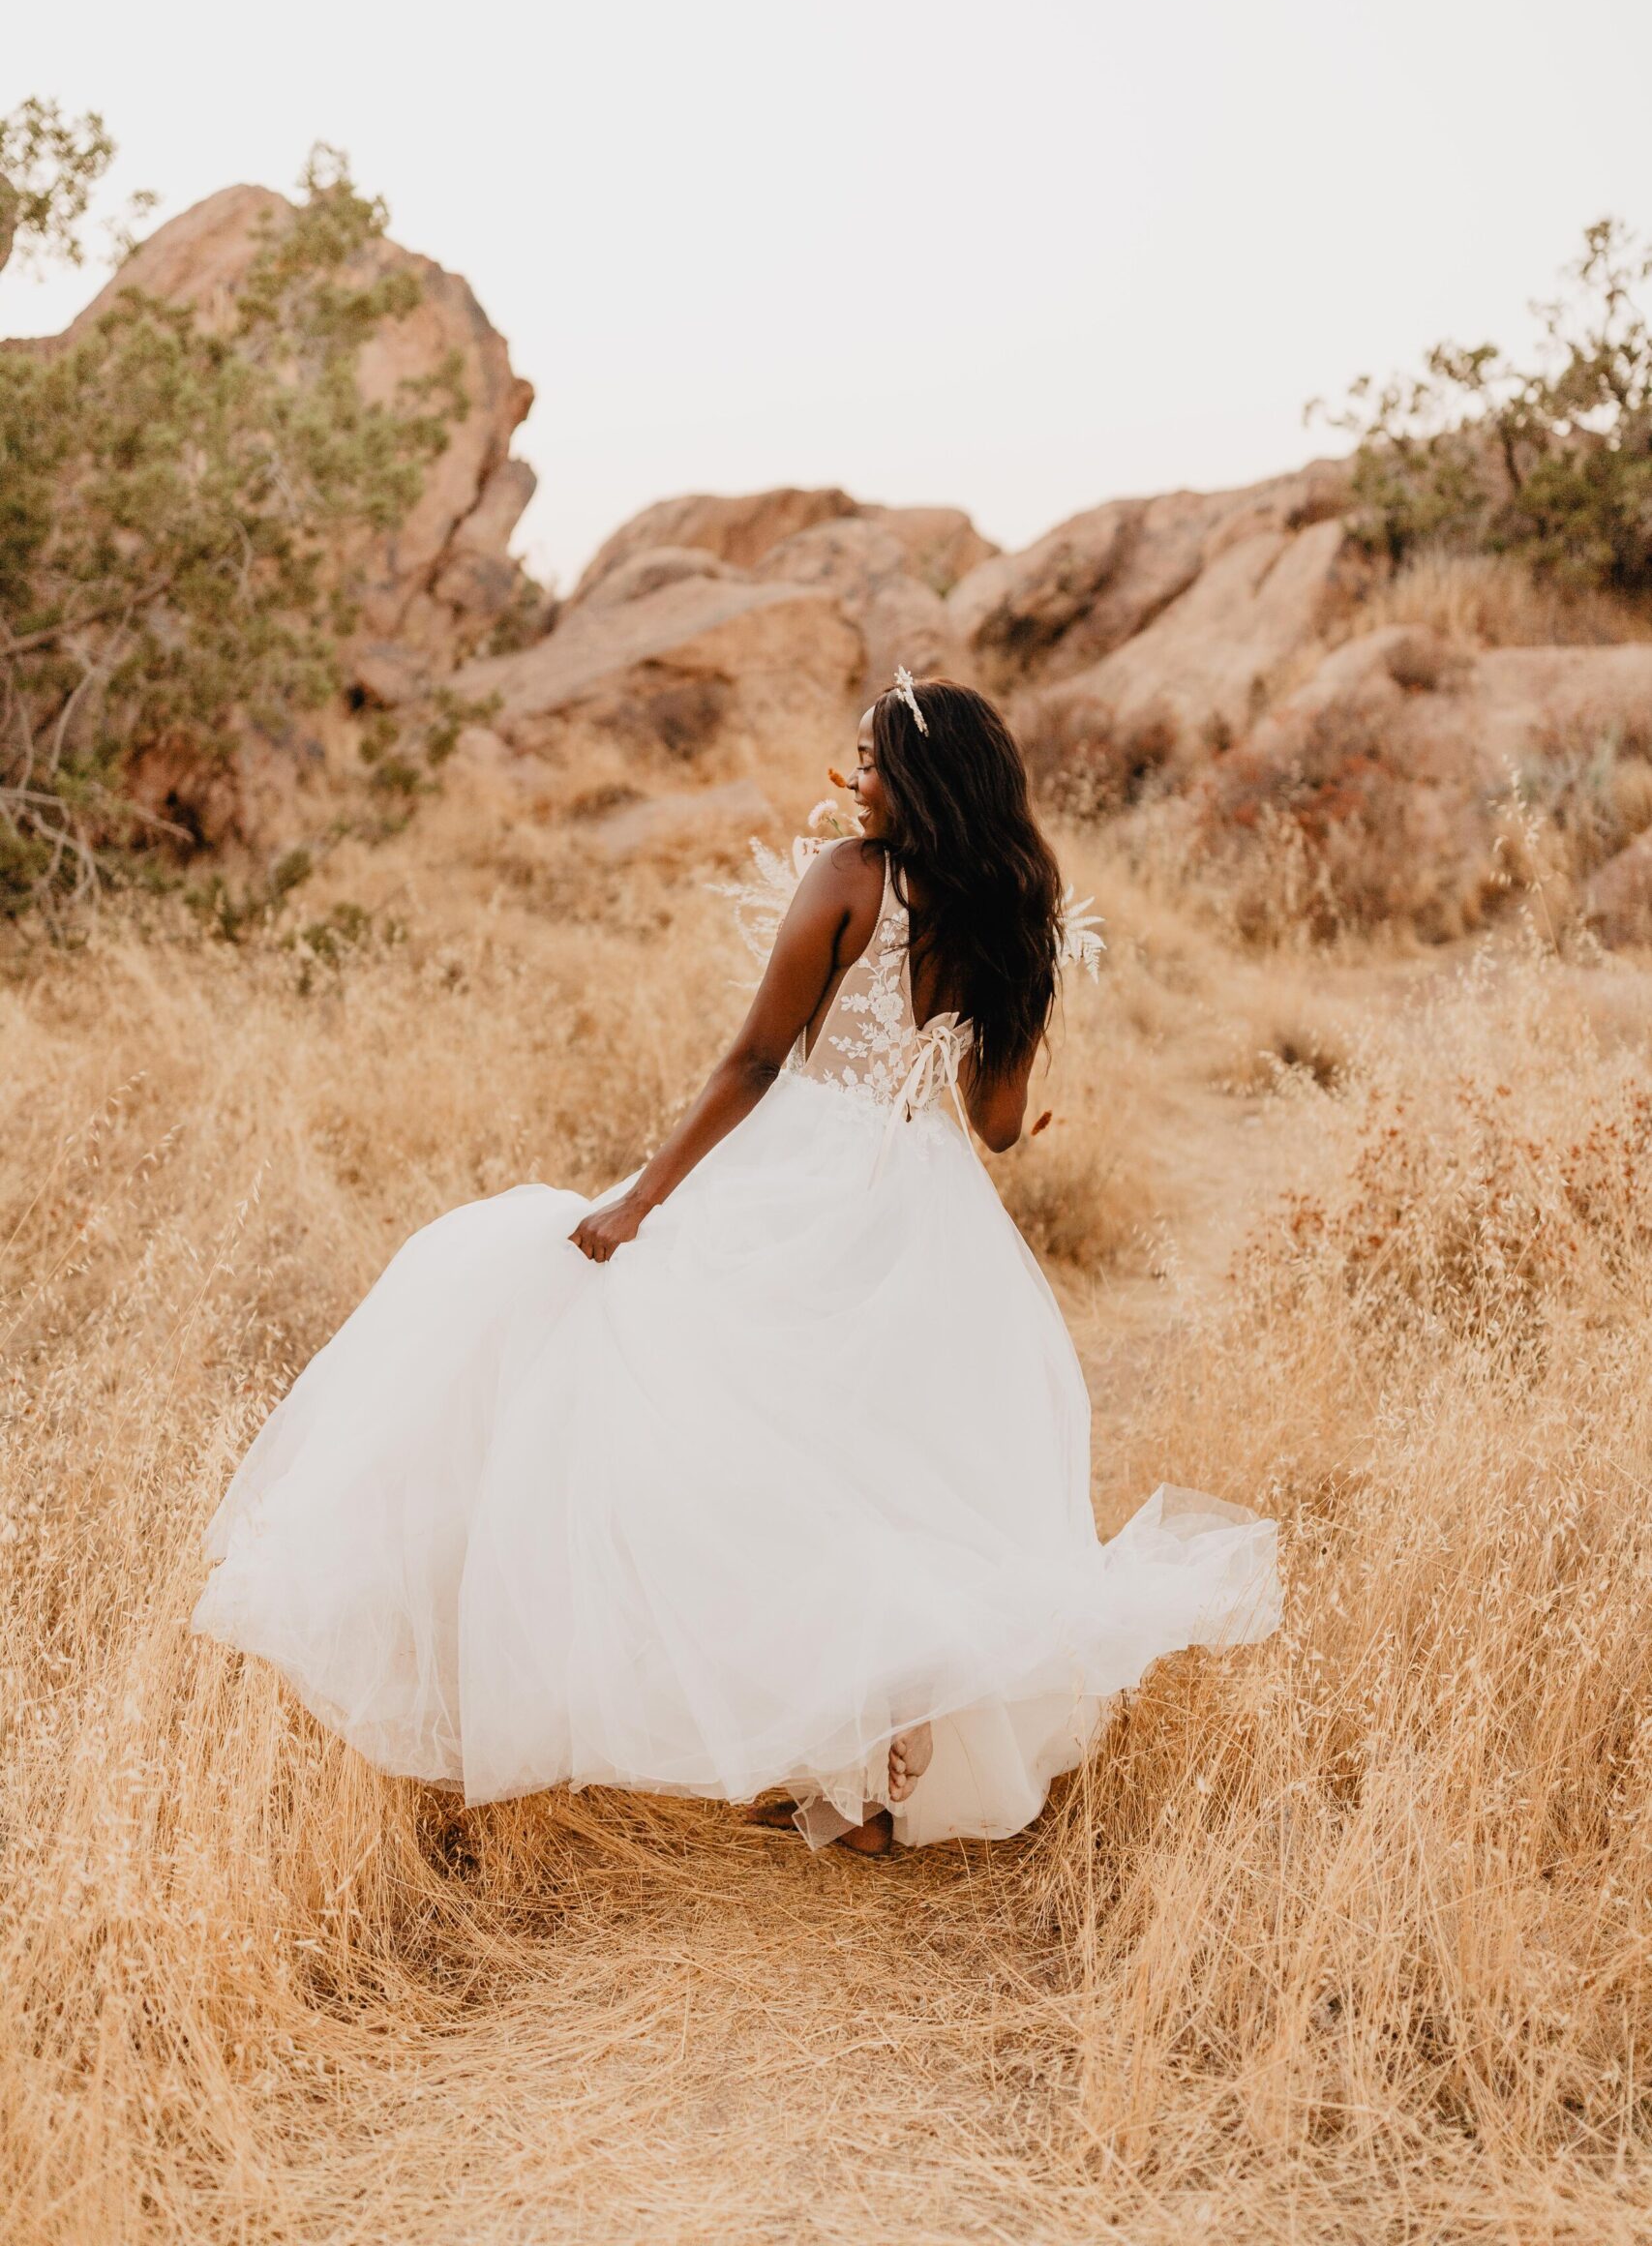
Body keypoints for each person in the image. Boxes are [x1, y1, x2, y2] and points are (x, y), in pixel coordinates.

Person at [194, 674, 1278, 1854]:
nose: (849, 779)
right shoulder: (1019, 912)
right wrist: (1020, 1131)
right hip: (931, 1211)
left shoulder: (851, 882)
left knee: (716, 1423)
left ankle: (823, 1740)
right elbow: (1000, 1119)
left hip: (807, 1180)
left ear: (916, 775)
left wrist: (640, 1200)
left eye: (867, 759)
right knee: (885, 1469)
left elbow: (757, 1059)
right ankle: (871, 1777)